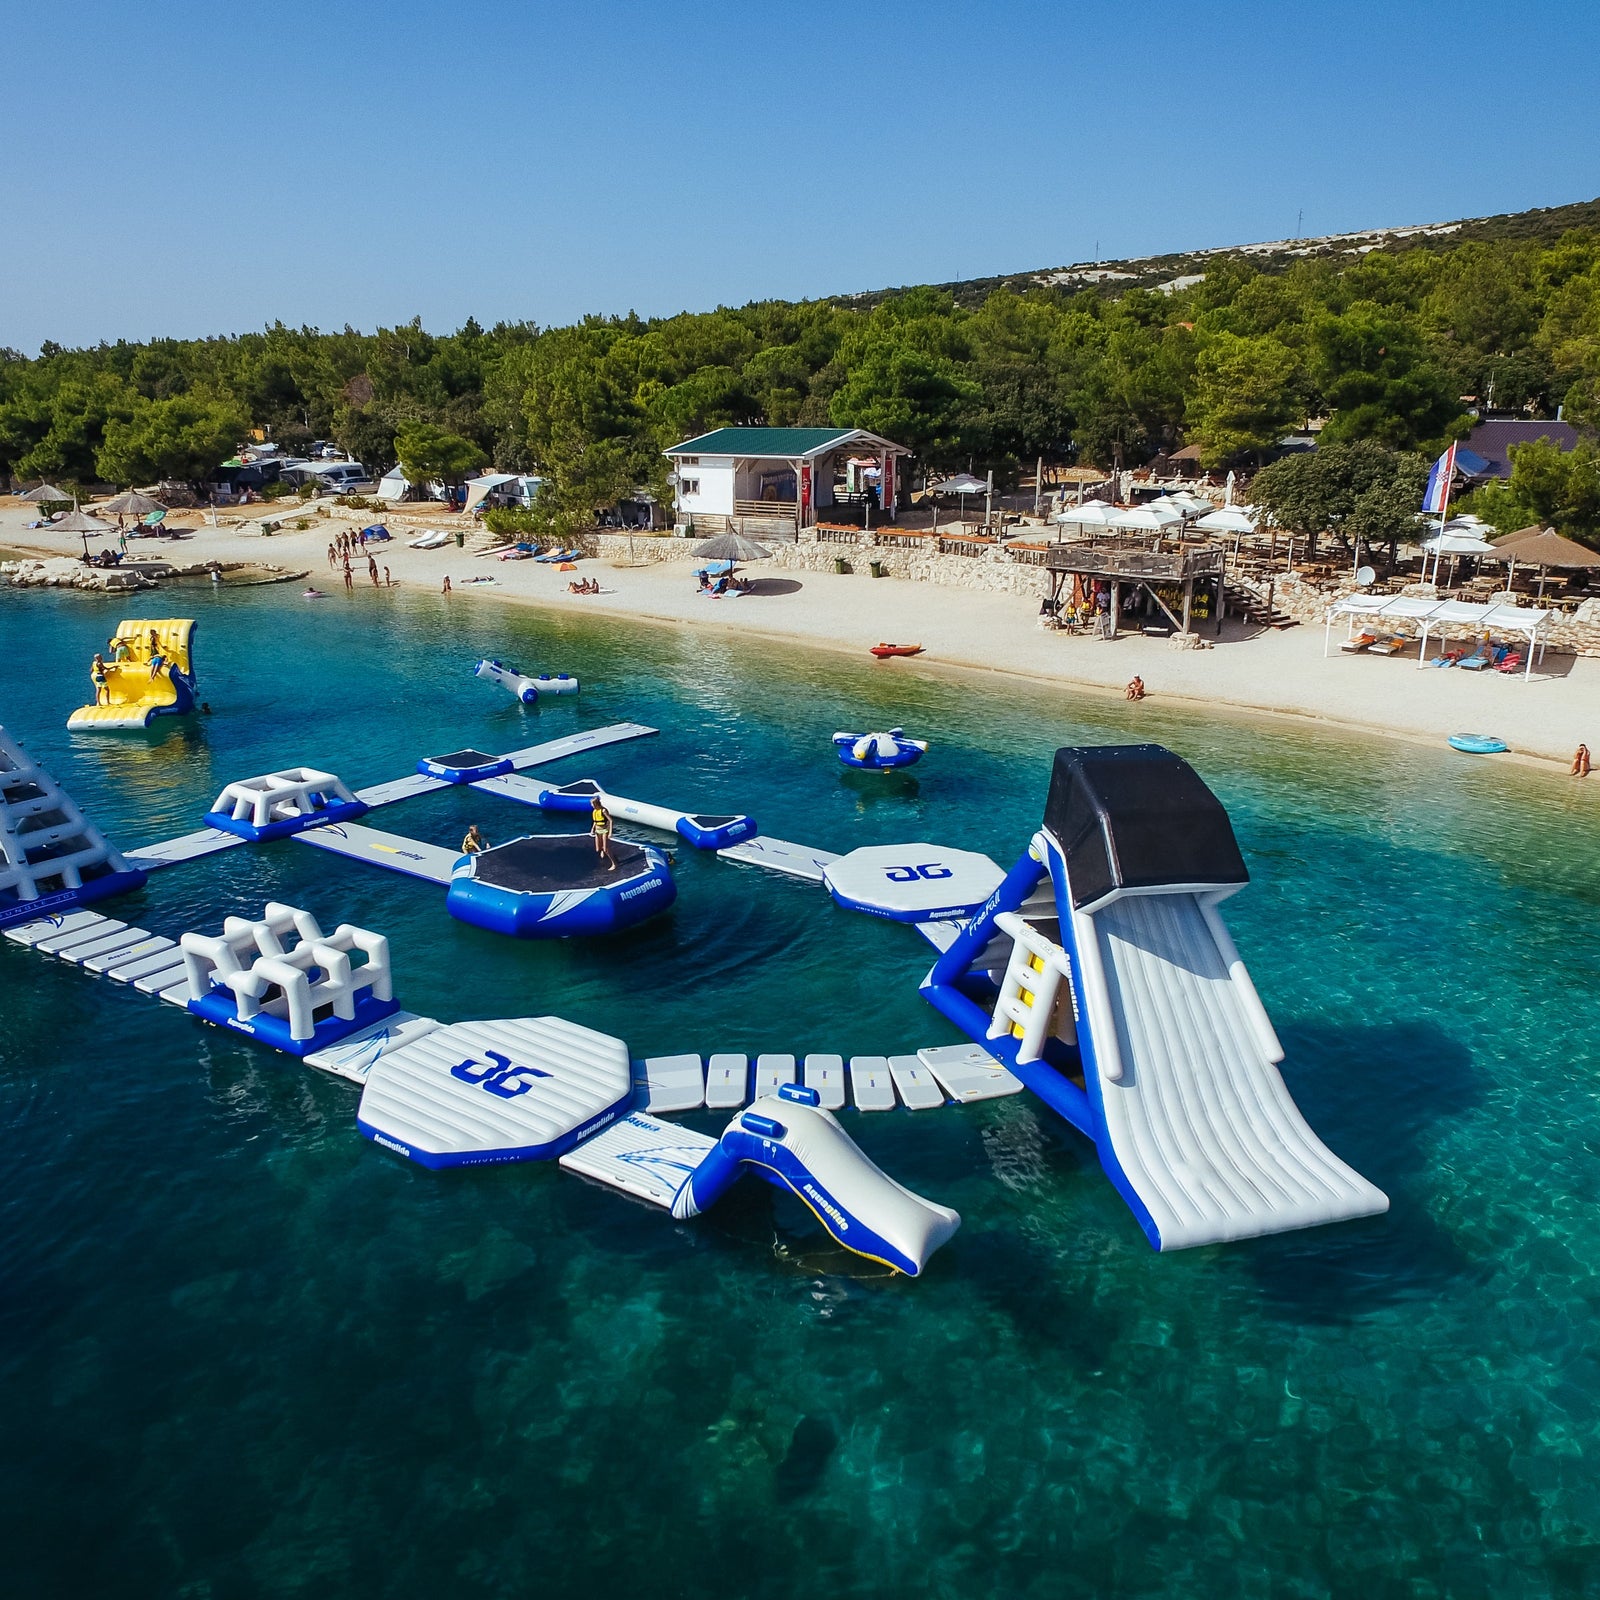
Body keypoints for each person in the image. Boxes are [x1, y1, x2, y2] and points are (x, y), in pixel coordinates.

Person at [590, 797, 615, 870]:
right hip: (597, 831)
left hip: (604, 830)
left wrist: (610, 832)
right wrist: (592, 829)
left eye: (592, 804)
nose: (591, 805)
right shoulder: (595, 811)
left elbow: (611, 821)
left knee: (606, 849)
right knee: (598, 849)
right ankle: (602, 851)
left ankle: (614, 863)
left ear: (595, 804)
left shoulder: (603, 811)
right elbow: (595, 821)